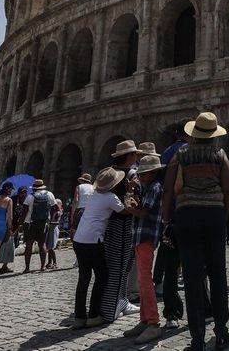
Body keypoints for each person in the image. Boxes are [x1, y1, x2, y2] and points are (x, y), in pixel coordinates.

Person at [162, 113, 229, 351]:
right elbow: (228, 188)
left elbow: (167, 190)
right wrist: (224, 216)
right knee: (218, 274)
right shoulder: (220, 155)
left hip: (187, 216)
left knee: (193, 277)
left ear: (194, 133)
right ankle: (221, 332)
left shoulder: (180, 155)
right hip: (214, 216)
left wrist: (166, 218)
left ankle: (196, 340)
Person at [71, 167, 131, 330]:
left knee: (83, 278)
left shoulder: (92, 195)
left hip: (79, 239)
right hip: (93, 240)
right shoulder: (111, 197)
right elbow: (125, 212)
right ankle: (94, 315)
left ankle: (79, 317)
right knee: (102, 276)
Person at [122, 154, 166, 343]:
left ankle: (154, 323)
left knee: (145, 281)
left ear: (153, 172)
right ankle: (145, 320)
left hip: (147, 236)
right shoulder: (149, 187)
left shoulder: (155, 187)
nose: (141, 177)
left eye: (144, 174)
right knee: (142, 280)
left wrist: (129, 205)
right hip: (141, 237)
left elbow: (143, 213)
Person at [100, 140, 144, 323]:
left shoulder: (109, 173)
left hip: (109, 222)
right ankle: (111, 308)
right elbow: (138, 198)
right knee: (121, 266)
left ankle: (122, 300)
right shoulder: (131, 174)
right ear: (131, 156)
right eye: (135, 154)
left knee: (116, 264)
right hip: (125, 222)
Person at [154, 121, 189, 330]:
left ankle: (171, 315)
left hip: (172, 214)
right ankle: (204, 311)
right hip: (192, 213)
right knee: (197, 266)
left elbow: (164, 188)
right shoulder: (195, 152)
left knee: (170, 267)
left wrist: (165, 218)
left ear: (176, 133)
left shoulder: (167, 152)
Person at [46, 199, 62, 269]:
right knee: (49, 247)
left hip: (53, 229)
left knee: (51, 247)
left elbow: (56, 221)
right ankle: (49, 262)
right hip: (50, 229)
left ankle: (55, 263)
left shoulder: (58, 212)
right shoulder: (53, 211)